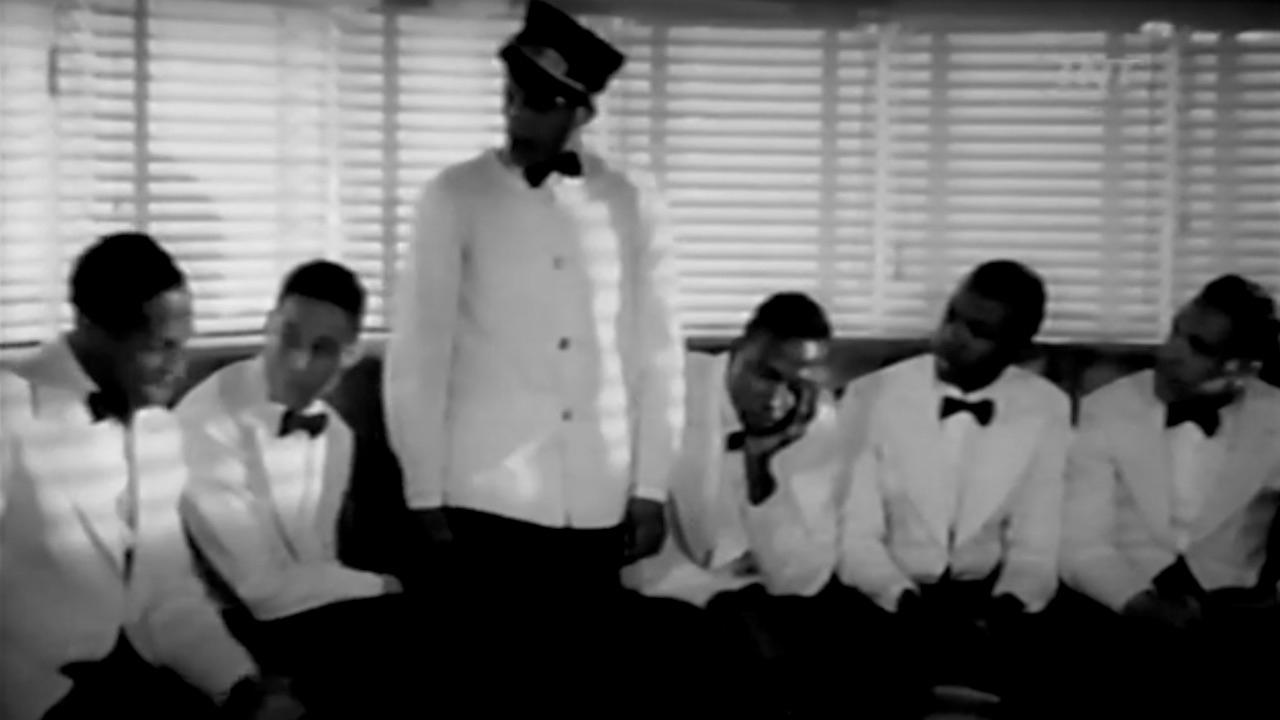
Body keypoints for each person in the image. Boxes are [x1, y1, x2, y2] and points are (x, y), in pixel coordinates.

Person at [383, 0, 684, 706]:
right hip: (486, 493)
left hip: (596, 496)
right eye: (513, 94)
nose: (519, 115)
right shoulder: (454, 196)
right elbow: (420, 351)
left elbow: (657, 351)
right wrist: (423, 489)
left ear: (583, 111)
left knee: (584, 687)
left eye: (543, 103)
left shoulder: (632, 203)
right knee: (494, 687)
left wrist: (651, 483)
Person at [0, 231, 302, 720]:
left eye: (184, 345)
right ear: (93, 329)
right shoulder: (10, 409)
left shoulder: (158, 428)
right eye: (161, 348)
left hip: (137, 678)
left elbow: (167, 593)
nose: (179, 369)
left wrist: (240, 685)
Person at [177, 260, 431, 718]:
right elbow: (260, 590)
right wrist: (382, 585)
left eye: (322, 348)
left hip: (303, 610)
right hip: (225, 626)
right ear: (268, 325)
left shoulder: (336, 433)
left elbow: (317, 563)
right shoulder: (206, 423)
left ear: (349, 355)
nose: (297, 362)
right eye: (288, 337)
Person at [836, 259, 1071, 717]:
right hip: (887, 593)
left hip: (991, 600)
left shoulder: (1047, 407)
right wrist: (903, 602)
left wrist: (1000, 613)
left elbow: (1037, 543)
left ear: (1018, 347)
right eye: (952, 317)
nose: (951, 336)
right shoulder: (870, 395)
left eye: (978, 331)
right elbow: (855, 536)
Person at [1059, 274, 1280, 718]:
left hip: (1234, 616)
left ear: (1241, 368)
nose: (1169, 353)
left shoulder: (1275, 417)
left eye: (1197, 347)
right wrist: (1139, 603)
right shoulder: (1108, 408)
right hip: (1119, 604)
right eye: (1175, 331)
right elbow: (1080, 542)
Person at [623, 292, 847, 716]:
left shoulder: (817, 424)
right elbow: (698, 541)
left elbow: (801, 576)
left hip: (751, 594)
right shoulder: (671, 388)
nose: (777, 399)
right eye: (766, 375)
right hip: (660, 586)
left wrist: (762, 466)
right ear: (738, 349)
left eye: (797, 385)